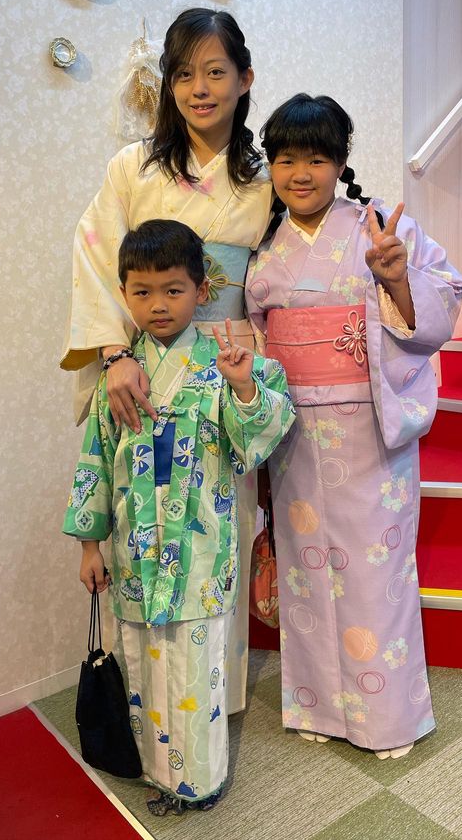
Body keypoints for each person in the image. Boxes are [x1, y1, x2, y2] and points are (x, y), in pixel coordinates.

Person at [61, 8, 274, 713]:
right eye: (183, 74)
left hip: (225, 363)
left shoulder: (264, 177)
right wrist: (113, 354)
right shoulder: (133, 167)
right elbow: (97, 258)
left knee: (219, 527)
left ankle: (215, 698)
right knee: (141, 520)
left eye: (215, 72)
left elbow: (282, 268)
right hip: (143, 367)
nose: (199, 89)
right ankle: (144, 699)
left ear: (245, 79)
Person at [245, 94, 462, 758]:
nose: (301, 174)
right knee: (306, 567)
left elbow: (444, 295)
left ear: (341, 162)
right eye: (286, 159)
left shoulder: (377, 227)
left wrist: (396, 280)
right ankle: (318, 706)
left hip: (368, 423)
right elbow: (255, 339)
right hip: (291, 430)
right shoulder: (264, 247)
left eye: (317, 159)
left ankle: (388, 718)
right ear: (271, 165)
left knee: (375, 572)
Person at [63, 220, 294, 815]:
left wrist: (243, 388)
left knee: (196, 665)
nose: (158, 305)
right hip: (134, 547)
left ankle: (196, 782)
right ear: (123, 294)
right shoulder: (119, 377)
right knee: (140, 658)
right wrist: (89, 546)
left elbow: (258, 438)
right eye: (141, 292)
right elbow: (95, 459)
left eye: (173, 289)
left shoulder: (225, 362)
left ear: (201, 289)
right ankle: (152, 773)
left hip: (200, 549)